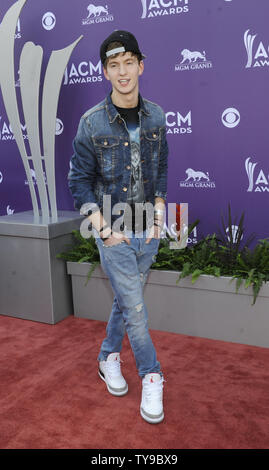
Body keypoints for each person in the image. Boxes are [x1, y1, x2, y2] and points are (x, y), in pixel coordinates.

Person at [68, 30, 168, 424]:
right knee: (137, 310)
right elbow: (79, 182)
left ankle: (108, 356)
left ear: (140, 66)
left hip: (147, 225)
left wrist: (159, 214)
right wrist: (105, 230)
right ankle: (152, 374)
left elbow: (160, 169)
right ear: (105, 72)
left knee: (126, 301)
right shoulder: (91, 123)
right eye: (114, 65)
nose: (123, 72)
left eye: (129, 63)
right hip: (111, 226)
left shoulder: (157, 116)